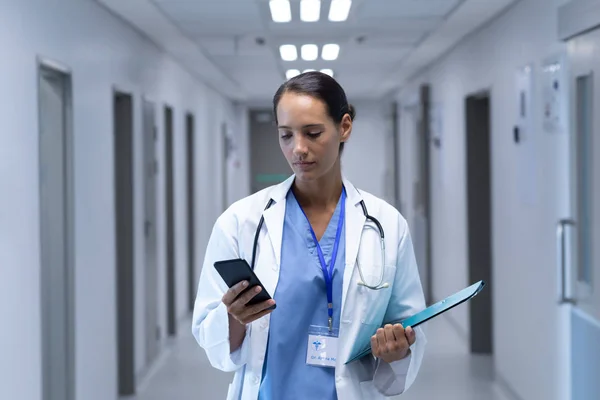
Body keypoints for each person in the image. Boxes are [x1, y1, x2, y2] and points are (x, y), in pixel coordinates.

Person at [192, 71, 427, 400]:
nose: (298, 149)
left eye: (312, 133)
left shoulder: (386, 224)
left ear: (344, 126)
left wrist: (397, 350)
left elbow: (409, 325)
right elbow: (210, 335)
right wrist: (234, 319)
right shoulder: (240, 221)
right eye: (286, 135)